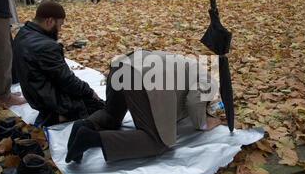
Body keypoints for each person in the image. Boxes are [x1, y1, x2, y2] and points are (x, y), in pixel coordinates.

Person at [65, 50, 220, 164]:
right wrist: (203, 123)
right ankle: (89, 139)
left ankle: (85, 124)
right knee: (157, 142)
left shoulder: (188, 64)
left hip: (123, 63)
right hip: (144, 76)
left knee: (111, 115)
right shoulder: (210, 80)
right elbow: (194, 102)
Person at [13, 1, 105, 127]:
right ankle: (60, 116)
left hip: (34, 95)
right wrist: (89, 91)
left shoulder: (22, 34)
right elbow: (67, 80)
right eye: (60, 25)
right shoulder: (46, 46)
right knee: (97, 106)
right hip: (48, 99)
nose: (60, 30)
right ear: (49, 21)